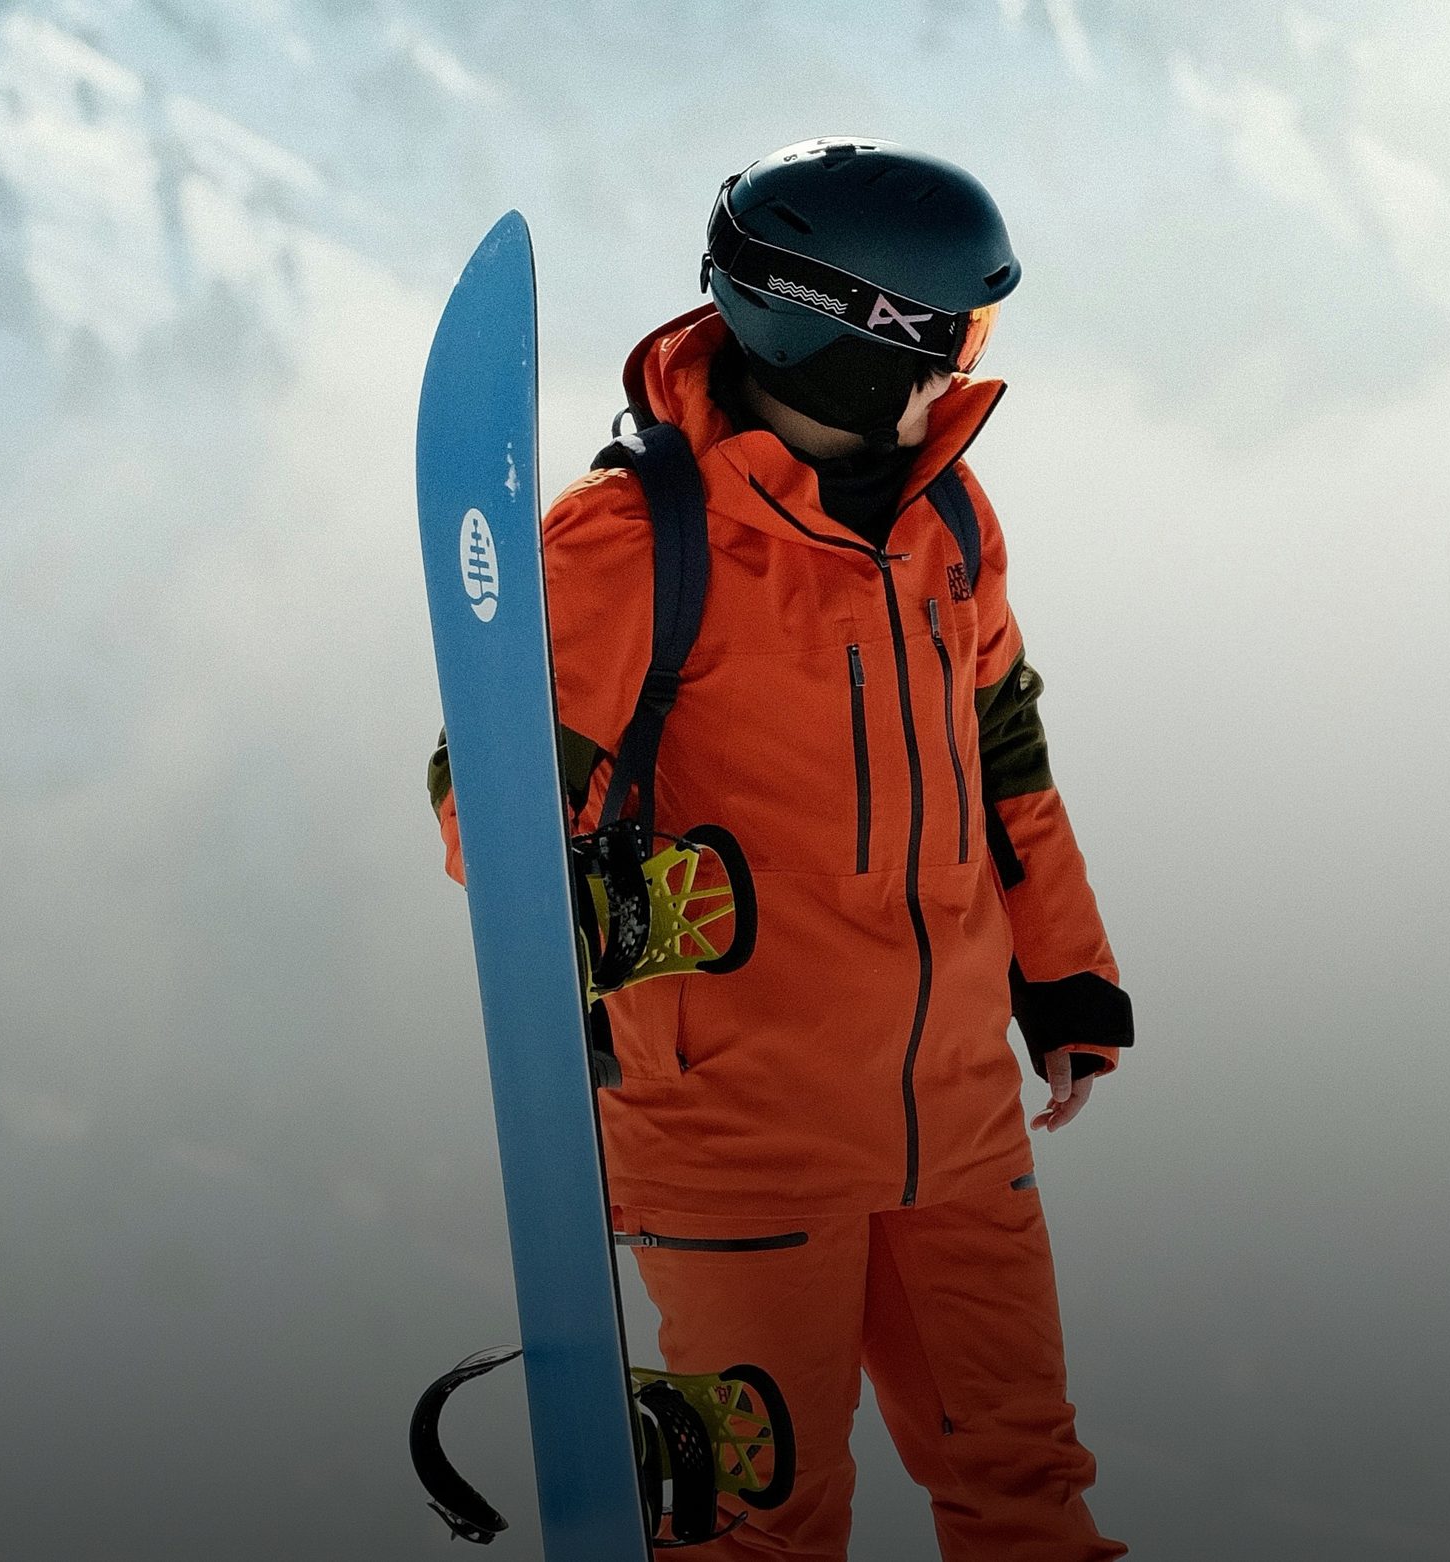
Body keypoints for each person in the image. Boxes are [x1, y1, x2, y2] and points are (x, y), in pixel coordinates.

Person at [429, 137, 1132, 1561]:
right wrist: (632, 908)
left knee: (1025, 1485)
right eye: (958, 335)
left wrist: (1063, 981)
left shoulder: (946, 514)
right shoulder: (623, 548)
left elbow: (1006, 759)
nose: (968, 369)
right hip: (735, 1141)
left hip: (957, 1122)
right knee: (763, 1526)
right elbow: (484, 805)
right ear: (849, 342)